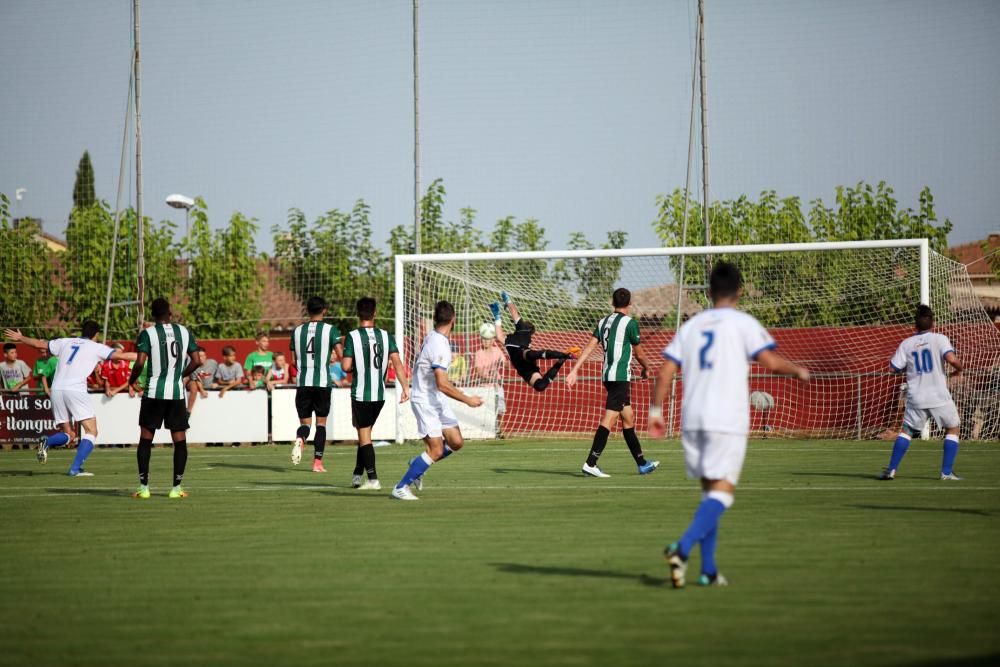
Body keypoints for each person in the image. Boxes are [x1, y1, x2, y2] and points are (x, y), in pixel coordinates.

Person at [648, 262, 809, 588]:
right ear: (739, 291)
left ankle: (708, 570)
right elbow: (771, 363)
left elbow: (665, 371)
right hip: (726, 420)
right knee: (723, 494)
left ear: (708, 292)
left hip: (692, 420)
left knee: (710, 493)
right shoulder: (743, 323)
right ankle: (682, 548)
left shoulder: (691, 327)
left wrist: (654, 410)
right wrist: (799, 370)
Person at [4, 321, 137, 476]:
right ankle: (75, 468)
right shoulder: (96, 346)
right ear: (96, 335)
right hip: (75, 389)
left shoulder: (65, 342)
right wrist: (145, 354)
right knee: (91, 431)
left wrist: (21, 337)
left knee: (70, 435)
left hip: (57, 389)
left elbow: (39, 344)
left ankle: (47, 440)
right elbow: (121, 355)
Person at [391, 300, 483, 501]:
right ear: (453, 320)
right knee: (436, 449)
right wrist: (467, 400)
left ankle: (418, 463)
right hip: (425, 400)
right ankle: (400, 487)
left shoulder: (435, 337)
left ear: (435, 319)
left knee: (456, 442)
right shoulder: (439, 344)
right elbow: (442, 383)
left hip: (435, 398)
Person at [565, 287, 657, 477]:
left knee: (628, 417)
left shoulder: (603, 322)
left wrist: (574, 370)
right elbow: (639, 353)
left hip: (608, 376)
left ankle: (642, 463)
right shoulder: (630, 323)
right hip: (620, 377)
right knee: (610, 419)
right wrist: (647, 368)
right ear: (630, 304)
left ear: (612, 303)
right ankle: (591, 463)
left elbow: (589, 347)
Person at [879, 304, 964, 481]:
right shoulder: (940, 339)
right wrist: (959, 369)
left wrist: (911, 368)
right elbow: (951, 358)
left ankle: (892, 470)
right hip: (938, 395)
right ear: (933, 322)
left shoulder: (906, 343)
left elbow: (893, 368)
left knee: (906, 431)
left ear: (914, 325)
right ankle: (946, 472)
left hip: (917, 396)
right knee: (953, 428)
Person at [128, 298, 198, 499]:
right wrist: (181, 375)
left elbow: (140, 363)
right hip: (176, 394)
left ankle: (144, 488)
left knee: (146, 439)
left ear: (153, 314)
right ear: (170, 312)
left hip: (153, 393)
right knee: (180, 441)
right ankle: (176, 489)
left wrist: (131, 380)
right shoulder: (184, 332)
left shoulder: (148, 333)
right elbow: (197, 360)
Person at [340, 296, 411, 490]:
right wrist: (405, 388)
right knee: (365, 435)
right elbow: (397, 363)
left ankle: (373, 479)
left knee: (364, 436)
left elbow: (345, 366)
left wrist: (351, 360)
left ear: (357, 314)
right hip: (379, 396)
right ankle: (356, 474)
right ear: (375, 313)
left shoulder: (352, 336)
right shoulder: (386, 336)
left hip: (361, 394)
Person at [288, 296, 343, 472]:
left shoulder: (297, 331)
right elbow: (340, 356)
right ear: (324, 310)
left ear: (307, 310)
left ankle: (301, 439)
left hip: (303, 383)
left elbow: (294, 361)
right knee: (321, 424)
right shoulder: (331, 330)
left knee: (305, 424)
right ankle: (317, 463)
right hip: (322, 383)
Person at [490, 291, 579, 392]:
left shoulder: (510, 339)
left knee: (532, 356)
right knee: (540, 384)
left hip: (524, 362)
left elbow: (502, 330)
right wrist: (506, 300)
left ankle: (563, 355)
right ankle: (563, 357)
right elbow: (513, 312)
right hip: (524, 365)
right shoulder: (520, 332)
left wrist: (497, 315)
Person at [471, 321, 507, 432]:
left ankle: (500, 431)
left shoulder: (497, 351)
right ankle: (485, 431)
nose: (485, 341)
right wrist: (487, 376)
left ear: (492, 340)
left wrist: (504, 360)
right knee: (486, 411)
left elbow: (505, 364)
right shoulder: (478, 353)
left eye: (488, 339)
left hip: (497, 386)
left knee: (500, 410)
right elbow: (479, 371)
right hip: (484, 387)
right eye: (483, 339)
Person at [186, 346, 218, 413]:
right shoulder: (193, 365)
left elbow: (218, 374)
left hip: (211, 388)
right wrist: (202, 390)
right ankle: (188, 411)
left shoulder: (213, 363)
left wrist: (216, 382)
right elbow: (196, 379)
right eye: (200, 356)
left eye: (203, 356)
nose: (202, 358)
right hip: (199, 386)